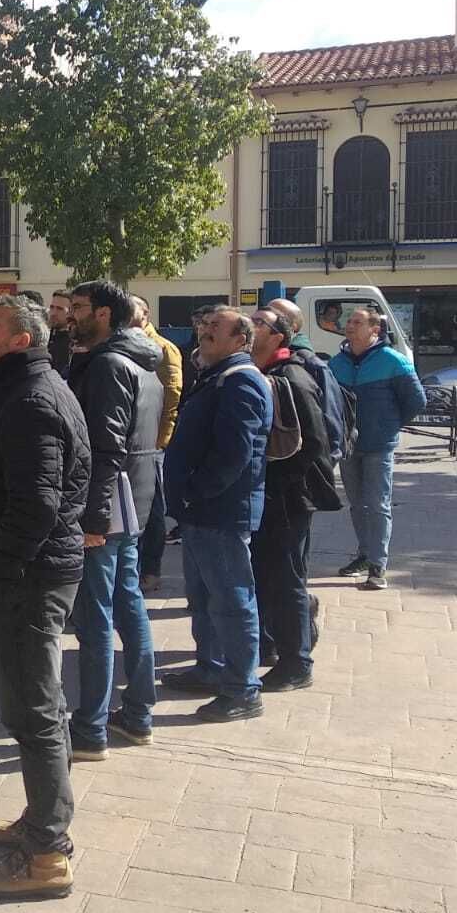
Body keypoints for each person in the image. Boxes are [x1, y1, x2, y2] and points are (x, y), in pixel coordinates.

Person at [0, 295, 91, 900]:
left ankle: (46, 855)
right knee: (38, 708)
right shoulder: (24, 389)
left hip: (29, 578)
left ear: (21, 340)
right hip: (32, 573)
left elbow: (37, 502)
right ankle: (41, 821)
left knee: (35, 712)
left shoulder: (33, 401)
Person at [66, 282, 163, 760]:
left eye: (79, 308)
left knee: (96, 617)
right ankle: (138, 715)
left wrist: (94, 517)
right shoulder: (144, 361)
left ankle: (90, 728)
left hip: (108, 505)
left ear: (104, 314)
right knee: (128, 605)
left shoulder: (108, 365)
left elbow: (105, 448)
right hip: (133, 501)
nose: (70, 315)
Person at [161, 307, 273, 722]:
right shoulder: (215, 375)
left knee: (232, 600)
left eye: (214, 328)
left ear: (240, 340)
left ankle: (243, 690)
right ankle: (210, 668)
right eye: (203, 325)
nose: (204, 332)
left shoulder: (240, 381)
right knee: (205, 597)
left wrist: (193, 493)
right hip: (201, 513)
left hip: (221, 512)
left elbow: (234, 455)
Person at [249, 308, 333, 691]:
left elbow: (315, 441)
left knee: (286, 579)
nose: (251, 325)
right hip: (274, 496)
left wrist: (276, 474)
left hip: (287, 498)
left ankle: (297, 663)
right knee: (272, 575)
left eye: (259, 322)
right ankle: (281, 645)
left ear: (279, 336)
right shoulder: (266, 374)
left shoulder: (292, 377)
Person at [329, 307, 425, 591]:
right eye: (349, 321)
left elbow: (416, 401)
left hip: (379, 446)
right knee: (357, 504)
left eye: (357, 322)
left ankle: (377, 565)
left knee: (378, 504)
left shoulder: (393, 361)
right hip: (349, 446)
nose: (350, 325)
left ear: (374, 330)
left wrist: (388, 426)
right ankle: (364, 554)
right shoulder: (337, 363)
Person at [131, 297, 181, 595]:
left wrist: (160, 439)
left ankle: (151, 569)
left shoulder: (163, 348)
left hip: (153, 444)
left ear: (146, 313)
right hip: (133, 443)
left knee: (153, 511)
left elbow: (172, 396)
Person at [47, 291, 74, 377]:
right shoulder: (45, 337)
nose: (54, 313)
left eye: (59, 309)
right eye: (52, 307)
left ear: (70, 312)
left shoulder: (75, 342)